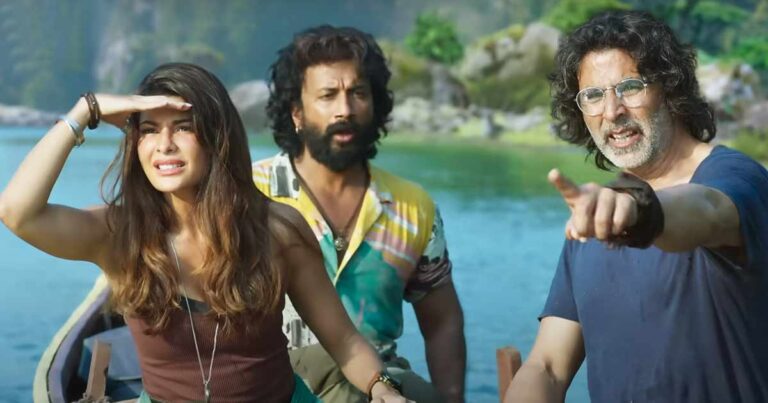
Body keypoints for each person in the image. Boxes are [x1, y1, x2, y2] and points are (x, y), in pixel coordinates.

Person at [0, 63, 411, 403]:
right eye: (149, 130)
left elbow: (342, 339)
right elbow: (17, 212)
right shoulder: (120, 235)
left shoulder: (278, 230)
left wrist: (382, 388)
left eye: (183, 127)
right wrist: (86, 111)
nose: (164, 145)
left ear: (217, 138)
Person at [505, 10, 768, 403]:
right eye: (593, 96)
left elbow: (708, 210)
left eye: (629, 87)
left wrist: (639, 212)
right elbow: (547, 367)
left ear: (669, 88)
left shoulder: (737, 179)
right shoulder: (597, 214)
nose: (612, 111)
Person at [253, 26, 466, 403]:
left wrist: (451, 399)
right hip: (268, 384)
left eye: (358, 93)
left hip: (380, 387)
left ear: (376, 105)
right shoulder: (248, 194)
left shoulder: (412, 207)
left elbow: (442, 322)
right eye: (328, 95)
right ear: (296, 112)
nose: (345, 110)